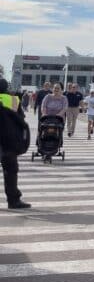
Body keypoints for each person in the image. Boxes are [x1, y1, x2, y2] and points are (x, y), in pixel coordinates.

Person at [0, 78, 30, 209]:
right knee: (10, 171)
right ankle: (13, 201)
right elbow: (21, 119)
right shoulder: (13, 100)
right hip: (8, 140)